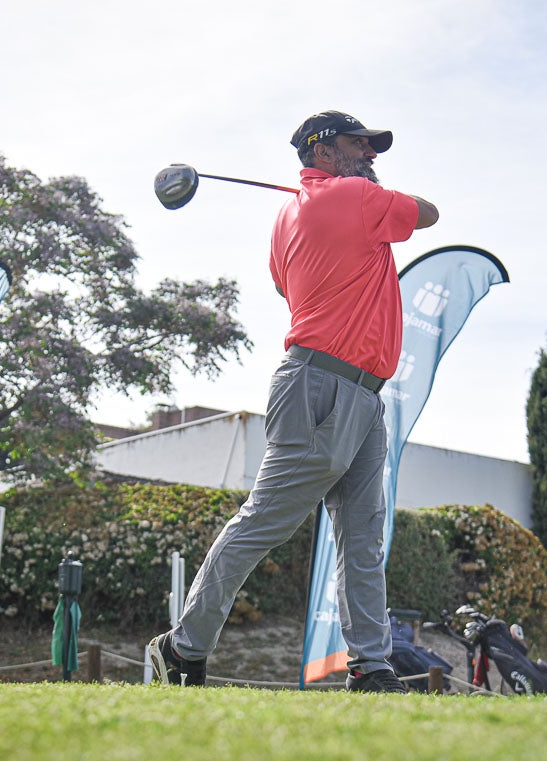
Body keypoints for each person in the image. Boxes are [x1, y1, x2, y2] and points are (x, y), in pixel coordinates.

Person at [147, 110, 439, 692]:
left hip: (360, 394)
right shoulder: (356, 197)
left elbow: (285, 284)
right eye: (361, 145)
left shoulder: (289, 218)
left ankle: (371, 667)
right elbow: (428, 213)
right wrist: (355, 200)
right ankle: (182, 647)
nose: (372, 156)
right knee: (263, 522)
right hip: (321, 385)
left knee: (362, 536)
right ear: (323, 152)